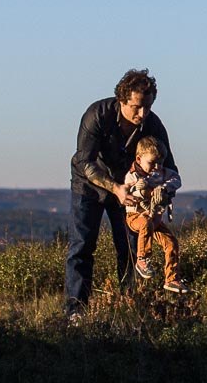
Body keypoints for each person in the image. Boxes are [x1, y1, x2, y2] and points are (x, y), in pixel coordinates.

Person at [66, 68, 181, 321]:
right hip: (90, 185)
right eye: (137, 107)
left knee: (130, 247)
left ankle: (129, 306)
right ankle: (76, 312)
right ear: (122, 99)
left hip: (131, 191)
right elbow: (85, 162)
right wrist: (115, 188)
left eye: (148, 107)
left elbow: (169, 168)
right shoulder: (97, 115)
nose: (143, 114)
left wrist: (164, 191)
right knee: (82, 246)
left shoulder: (153, 124)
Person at [123, 136, 186, 294]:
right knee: (145, 222)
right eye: (152, 163)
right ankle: (142, 259)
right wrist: (140, 190)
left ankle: (172, 279)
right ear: (139, 158)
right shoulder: (132, 176)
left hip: (155, 220)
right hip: (136, 217)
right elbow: (129, 192)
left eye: (160, 162)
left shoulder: (163, 173)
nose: (157, 167)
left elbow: (177, 180)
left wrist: (163, 189)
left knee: (171, 243)